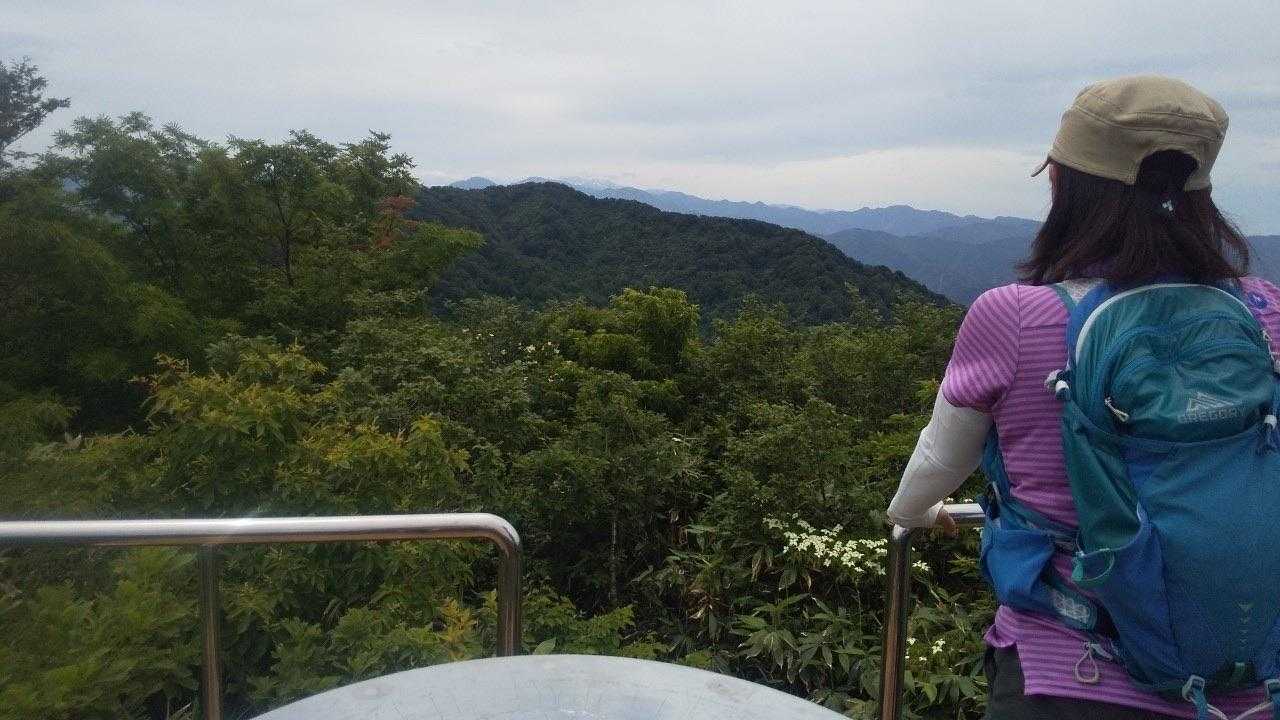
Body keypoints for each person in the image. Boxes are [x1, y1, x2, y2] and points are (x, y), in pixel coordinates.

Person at [887, 75, 1277, 720]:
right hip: (1245, 680)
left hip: (1071, 672)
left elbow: (940, 457)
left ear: (1066, 184)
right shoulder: (1265, 311)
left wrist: (912, 512)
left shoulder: (1015, 315)